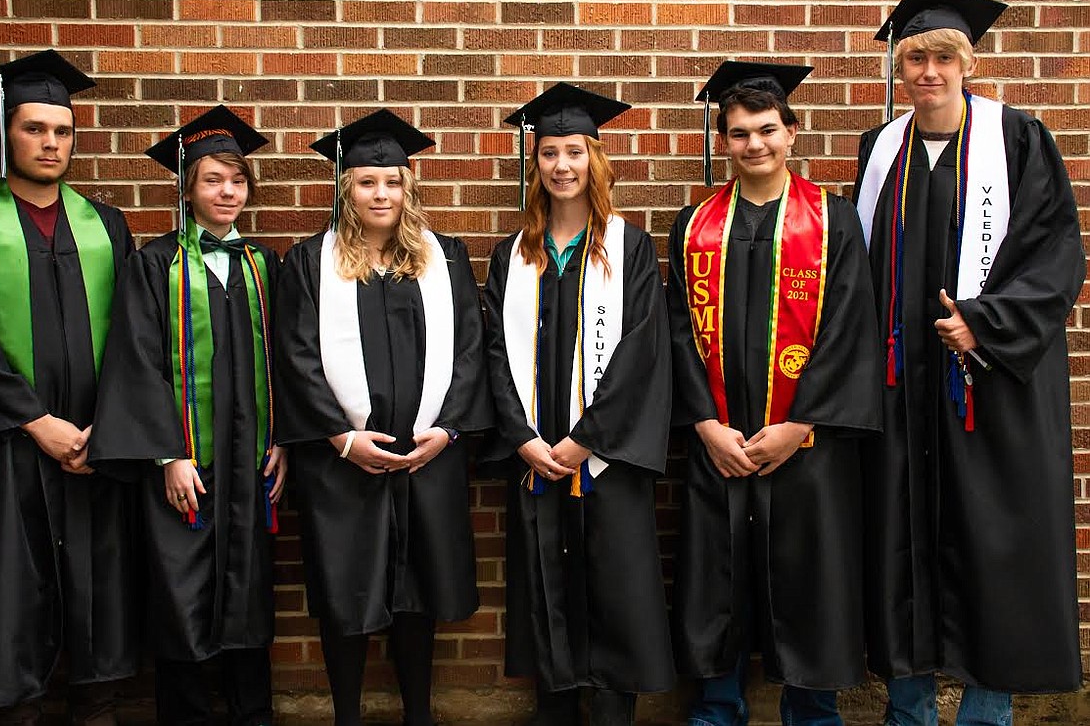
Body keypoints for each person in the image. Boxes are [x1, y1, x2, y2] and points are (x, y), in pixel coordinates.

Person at [854, 0, 1084, 726]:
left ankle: (987, 712)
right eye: (915, 56)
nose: (928, 71)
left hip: (991, 385)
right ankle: (910, 708)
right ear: (901, 65)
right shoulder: (879, 150)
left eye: (943, 57)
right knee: (901, 546)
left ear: (968, 62)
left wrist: (984, 323)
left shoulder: (1018, 140)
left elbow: (1056, 256)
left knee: (996, 547)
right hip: (900, 390)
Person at [0, 50, 137, 725]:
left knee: (98, 595)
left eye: (63, 130)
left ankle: (96, 700)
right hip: (7, 446)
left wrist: (112, 421)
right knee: (11, 595)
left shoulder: (106, 226)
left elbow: (138, 339)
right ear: (3, 132)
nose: (51, 142)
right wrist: (35, 420)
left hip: (95, 445)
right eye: (35, 128)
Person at [668, 62, 881, 726]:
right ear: (725, 141)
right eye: (738, 134)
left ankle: (813, 713)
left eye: (766, 130)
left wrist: (800, 424)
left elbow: (851, 327)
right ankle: (716, 709)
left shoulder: (832, 219)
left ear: (791, 132)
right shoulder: (694, 224)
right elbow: (676, 331)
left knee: (809, 578)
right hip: (721, 441)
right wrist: (704, 423)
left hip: (806, 446)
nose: (753, 144)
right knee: (715, 579)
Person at [273, 109, 492, 726]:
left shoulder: (443, 257)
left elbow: (472, 349)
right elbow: (295, 356)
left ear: (408, 187)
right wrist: (340, 438)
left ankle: (417, 713)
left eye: (393, 182)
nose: (381, 194)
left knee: (417, 592)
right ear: (346, 188)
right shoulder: (311, 260)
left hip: (427, 457)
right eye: (367, 182)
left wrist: (447, 431)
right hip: (341, 463)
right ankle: (347, 714)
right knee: (346, 591)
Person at [483, 83, 674, 726]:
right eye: (548, 154)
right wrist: (523, 439)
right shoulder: (512, 255)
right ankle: (556, 706)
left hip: (605, 456)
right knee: (545, 581)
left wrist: (585, 440)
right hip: (536, 452)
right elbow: (490, 356)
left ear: (595, 158)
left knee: (615, 585)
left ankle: (613, 708)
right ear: (533, 165)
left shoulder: (629, 247)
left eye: (573, 151)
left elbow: (641, 353)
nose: (561, 166)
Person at [88, 105, 285, 726]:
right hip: (185, 464)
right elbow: (137, 363)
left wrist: (280, 439)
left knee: (249, 587)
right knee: (182, 588)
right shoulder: (155, 266)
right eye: (212, 180)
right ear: (187, 188)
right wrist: (168, 454)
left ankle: (253, 711)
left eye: (237, 180)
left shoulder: (264, 267)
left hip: (251, 459)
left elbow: (289, 359)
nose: (227, 192)